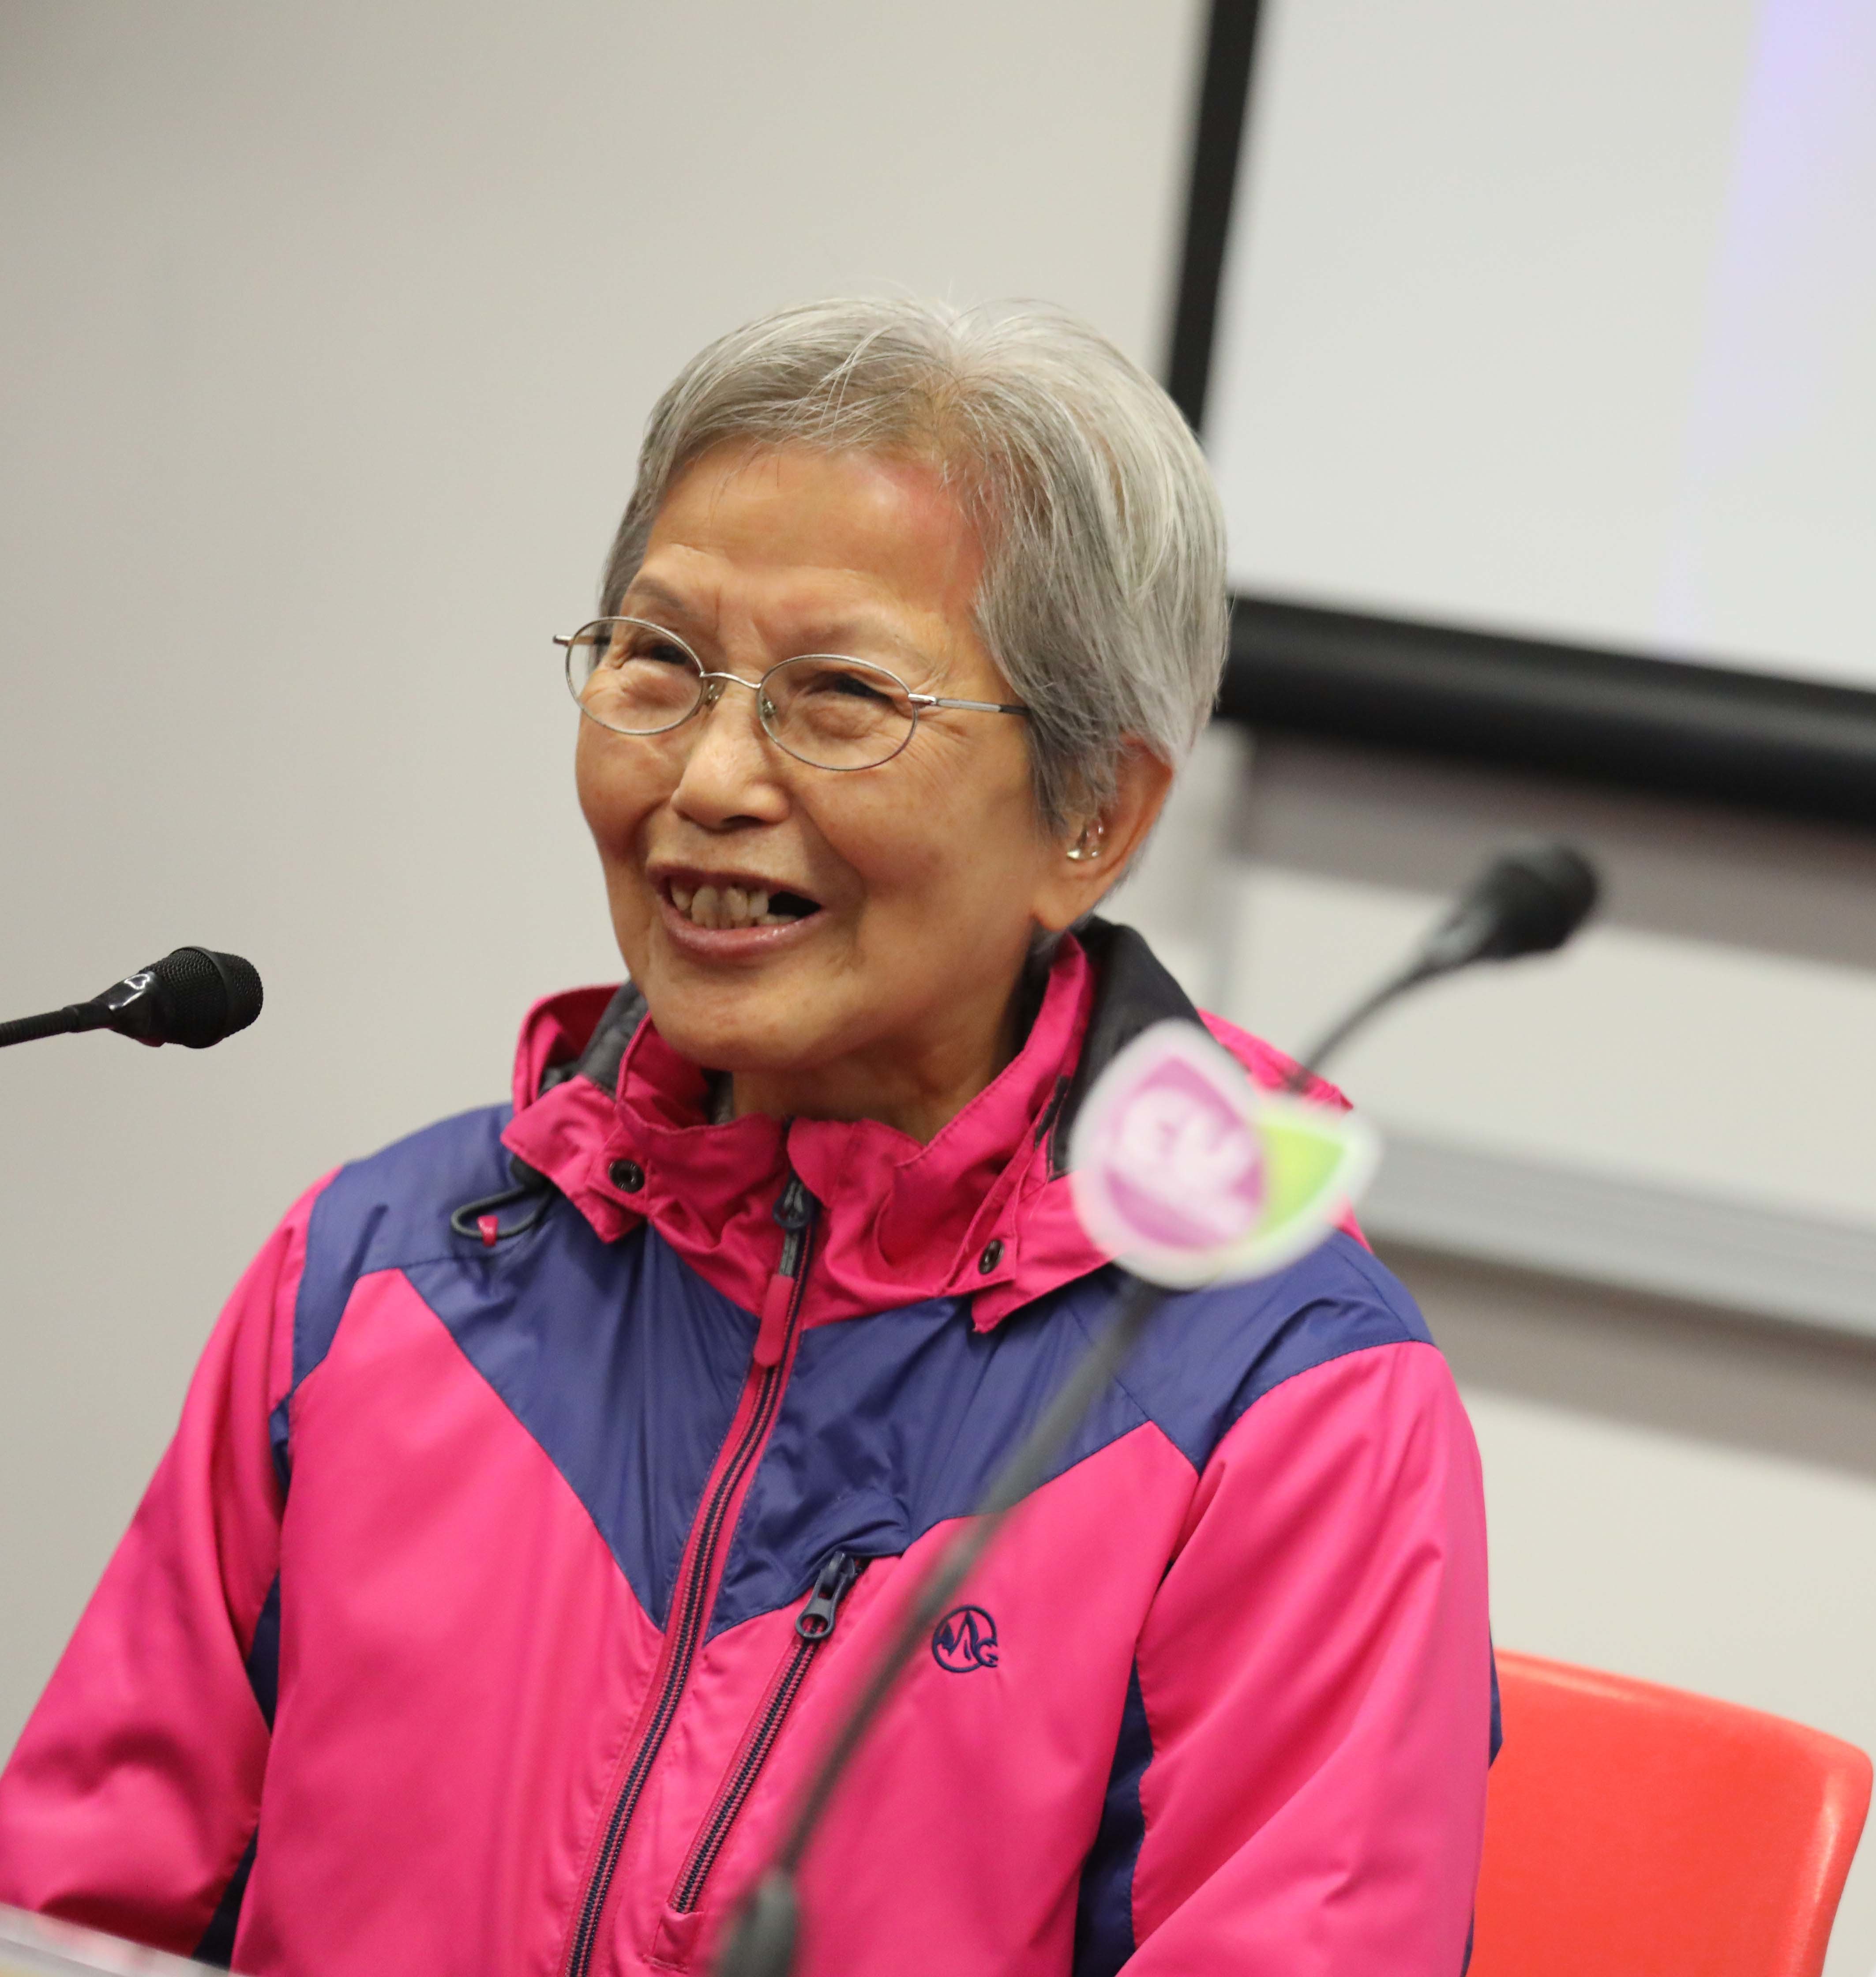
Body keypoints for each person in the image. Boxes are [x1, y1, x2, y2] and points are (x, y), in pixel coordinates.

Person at [0, 299, 1494, 1976]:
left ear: (1097, 812)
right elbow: (69, 1919)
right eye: (659, 664)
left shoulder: (1280, 1408)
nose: (708, 776)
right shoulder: (373, 1279)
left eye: (839, 695)